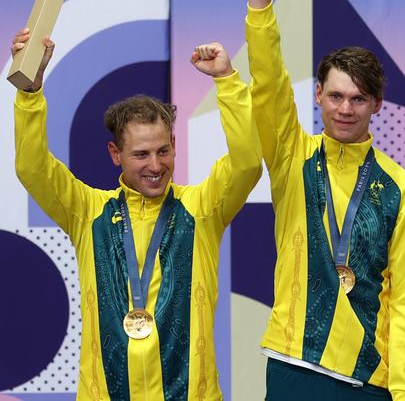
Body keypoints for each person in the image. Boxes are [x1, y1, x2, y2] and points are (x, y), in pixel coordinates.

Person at [11, 31, 262, 400]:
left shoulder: (203, 208)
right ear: (116, 153)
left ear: (175, 145)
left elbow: (247, 164)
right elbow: (32, 167)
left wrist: (227, 82)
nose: (156, 165)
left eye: (163, 151)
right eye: (141, 154)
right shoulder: (88, 211)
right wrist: (30, 94)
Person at [244, 0, 405, 401]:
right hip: (293, 362)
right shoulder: (292, 155)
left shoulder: (400, 188)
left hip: (367, 377)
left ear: (377, 105)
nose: (346, 108)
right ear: (319, 95)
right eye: (337, 96)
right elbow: (267, 82)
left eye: (359, 98)